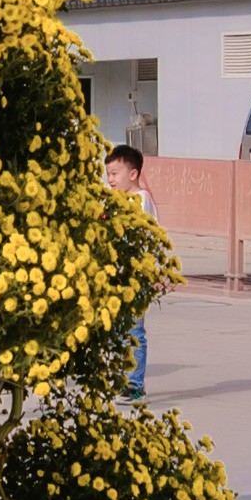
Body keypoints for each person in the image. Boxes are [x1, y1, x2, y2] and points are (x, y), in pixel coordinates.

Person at [103, 139, 153, 397]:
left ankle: (135, 384)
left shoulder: (139, 200)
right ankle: (121, 377)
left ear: (132, 174)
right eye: (108, 174)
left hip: (136, 278)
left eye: (114, 174)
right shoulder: (115, 201)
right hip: (117, 277)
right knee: (118, 331)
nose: (110, 180)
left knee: (133, 331)